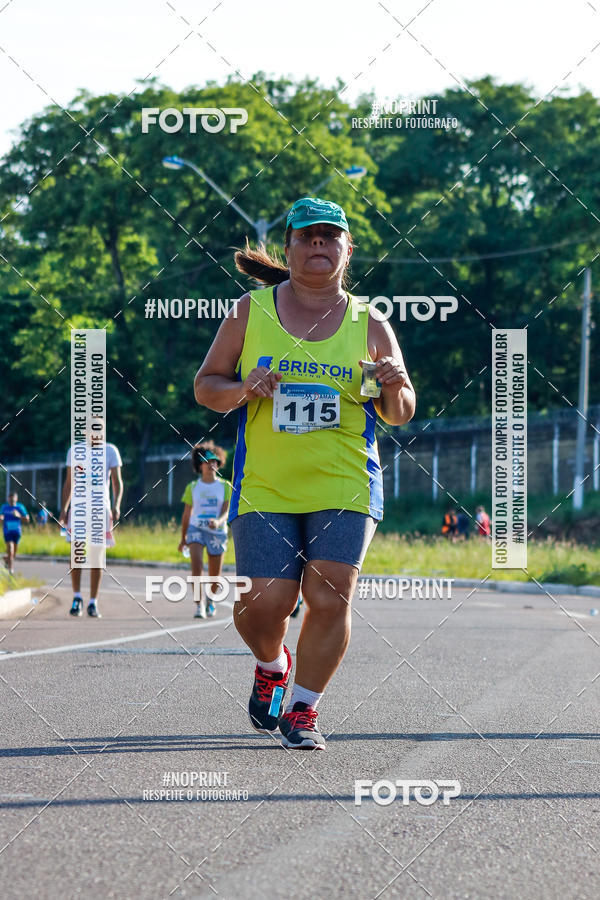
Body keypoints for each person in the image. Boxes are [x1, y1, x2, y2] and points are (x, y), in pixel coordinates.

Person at [194, 196, 415, 750]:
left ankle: (303, 710)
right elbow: (206, 387)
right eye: (307, 236)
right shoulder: (250, 312)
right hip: (266, 481)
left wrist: (392, 383)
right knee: (265, 601)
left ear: (346, 249)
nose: (318, 244)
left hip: (345, 479)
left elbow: (400, 410)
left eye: (329, 236)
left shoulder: (371, 322)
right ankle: (272, 663)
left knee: (330, 592)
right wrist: (245, 387)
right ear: (289, 247)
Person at [59, 428, 123, 618]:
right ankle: (77, 597)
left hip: (100, 508)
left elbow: (117, 482)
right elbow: (69, 483)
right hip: (78, 509)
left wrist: (116, 505)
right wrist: (63, 509)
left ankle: (93, 602)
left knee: (97, 555)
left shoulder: (110, 450)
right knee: (77, 552)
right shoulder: (75, 451)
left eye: (100, 429)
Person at [179, 441, 231, 619]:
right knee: (197, 567)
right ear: (200, 465)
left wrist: (217, 521)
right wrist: (183, 538)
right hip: (196, 529)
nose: (212, 465)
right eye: (207, 462)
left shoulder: (225, 486)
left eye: (215, 462)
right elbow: (186, 515)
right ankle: (198, 605)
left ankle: (210, 600)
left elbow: (226, 512)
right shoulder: (192, 487)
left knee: (214, 574)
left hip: (217, 531)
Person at [0, 491, 30, 574]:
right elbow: (1, 515)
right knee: (10, 548)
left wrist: (19, 516)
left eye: (13, 498)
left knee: (13, 554)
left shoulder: (20, 507)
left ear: (16, 499)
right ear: (8, 499)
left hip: (17, 532)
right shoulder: (4, 507)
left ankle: (7, 559)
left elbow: (27, 519)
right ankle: (11, 569)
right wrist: (1, 518)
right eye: (10, 498)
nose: (11, 500)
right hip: (7, 531)